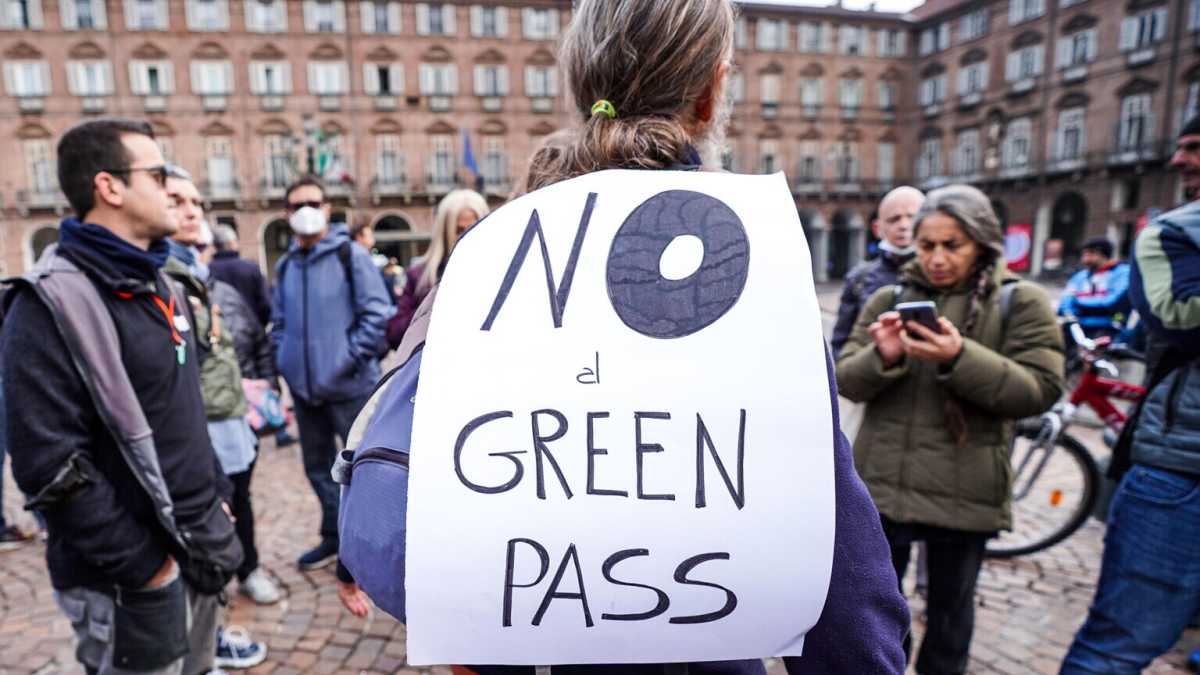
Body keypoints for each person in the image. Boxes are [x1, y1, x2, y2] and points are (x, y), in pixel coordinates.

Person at [351, 0, 910, 672]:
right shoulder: (746, 264)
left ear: (581, 87)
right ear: (713, 91)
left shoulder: (495, 253)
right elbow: (841, 564)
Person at [2, 118, 241, 675]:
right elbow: (48, 467)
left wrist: (217, 497)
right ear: (109, 188)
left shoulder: (163, 282)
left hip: (200, 546)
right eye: (157, 174)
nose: (171, 186)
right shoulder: (46, 305)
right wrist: (149, 568)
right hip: (129, 581)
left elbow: (184, 413)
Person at [836, 184, 1064, 675]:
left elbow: (1039, 390)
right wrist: (884, 356)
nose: (937, 258)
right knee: (879, 613)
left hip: (965, 490)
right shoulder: (887, 297)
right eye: (927, 245)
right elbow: (845, 380)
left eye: (952, 245)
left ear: (981, 243)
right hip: (884, 487)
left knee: (949, 618)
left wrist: (959, 357)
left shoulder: (1019, 302)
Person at [1059, 118, 1200, 674]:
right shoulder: (1172, 233)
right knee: (1118, 642)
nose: (1177, 160)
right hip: (1184, 461)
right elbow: (1169, 319)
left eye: (1194, 147)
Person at [161, 167, 271, 668]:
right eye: (177, 200)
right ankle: (205, 639)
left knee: (236, 505)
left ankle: (240, 582)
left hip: (228, 416)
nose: (190, 211)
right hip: (197, 427)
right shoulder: (163, 276)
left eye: (197, 203)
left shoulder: (197, 273)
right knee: (205, 528)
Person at [270, 175, 390, 575]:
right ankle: (334, 537)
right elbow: (280, 320)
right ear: (287, 214)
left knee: (363, 467)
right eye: (296, 204)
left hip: (349, 386)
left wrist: (348, 359)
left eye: (313, 202)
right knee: (316, 468)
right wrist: (285, 360)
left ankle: (366, 545)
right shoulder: (286, 263)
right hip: (305, 392)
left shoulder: (348, 255)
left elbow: (377, 315)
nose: (305, 209)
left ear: (326, 208)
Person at [385, 189, 489, 348]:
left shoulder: (500, 273)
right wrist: (433, 308)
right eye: (459, 230)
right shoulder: (421, 276)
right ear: (445, 231)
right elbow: (395, 334)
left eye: (474, 227)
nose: (467, 236)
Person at [831, 186, 924, 356]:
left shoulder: (944, 273)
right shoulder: (859, 278)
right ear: (877, 228)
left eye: (912, 217)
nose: (903, 225)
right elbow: (840, 343)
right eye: (893, 219)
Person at [1057, 236, 1132, 339]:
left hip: (1110, 330)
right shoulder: (1080, 276)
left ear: (1102, 254)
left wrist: (1077, 302)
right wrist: (1071, 313)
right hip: (1078, 329)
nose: (1084, 257)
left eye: (1090, 253)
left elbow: (1111, 302)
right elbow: (1065, 302)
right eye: (1084, 253)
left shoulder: (1123, 273)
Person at [210, 223, 272, 328]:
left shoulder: (208, 270)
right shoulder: (251, 268)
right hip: (252, 330)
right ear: (232, 243)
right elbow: (265, 304)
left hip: (223, 333)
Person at [350, 222, 395, 305]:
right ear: (359, 237)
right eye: (370, 236)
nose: (372, 238)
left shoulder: (362, 255)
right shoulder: (359, 256)